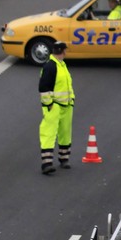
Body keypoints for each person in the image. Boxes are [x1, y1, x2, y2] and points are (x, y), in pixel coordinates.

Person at [38, 40, 75, 175]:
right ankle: (46, 163)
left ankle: (64, 159)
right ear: (62, 51)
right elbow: (43, 88)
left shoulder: (62, 65)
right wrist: (49, 105)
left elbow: (66, 85)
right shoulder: (50, 66)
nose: (66, 52)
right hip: (54, 106)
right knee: (49, 132)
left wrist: (71, 101)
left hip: (66, 105)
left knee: (65, 132)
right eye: (65, 49)